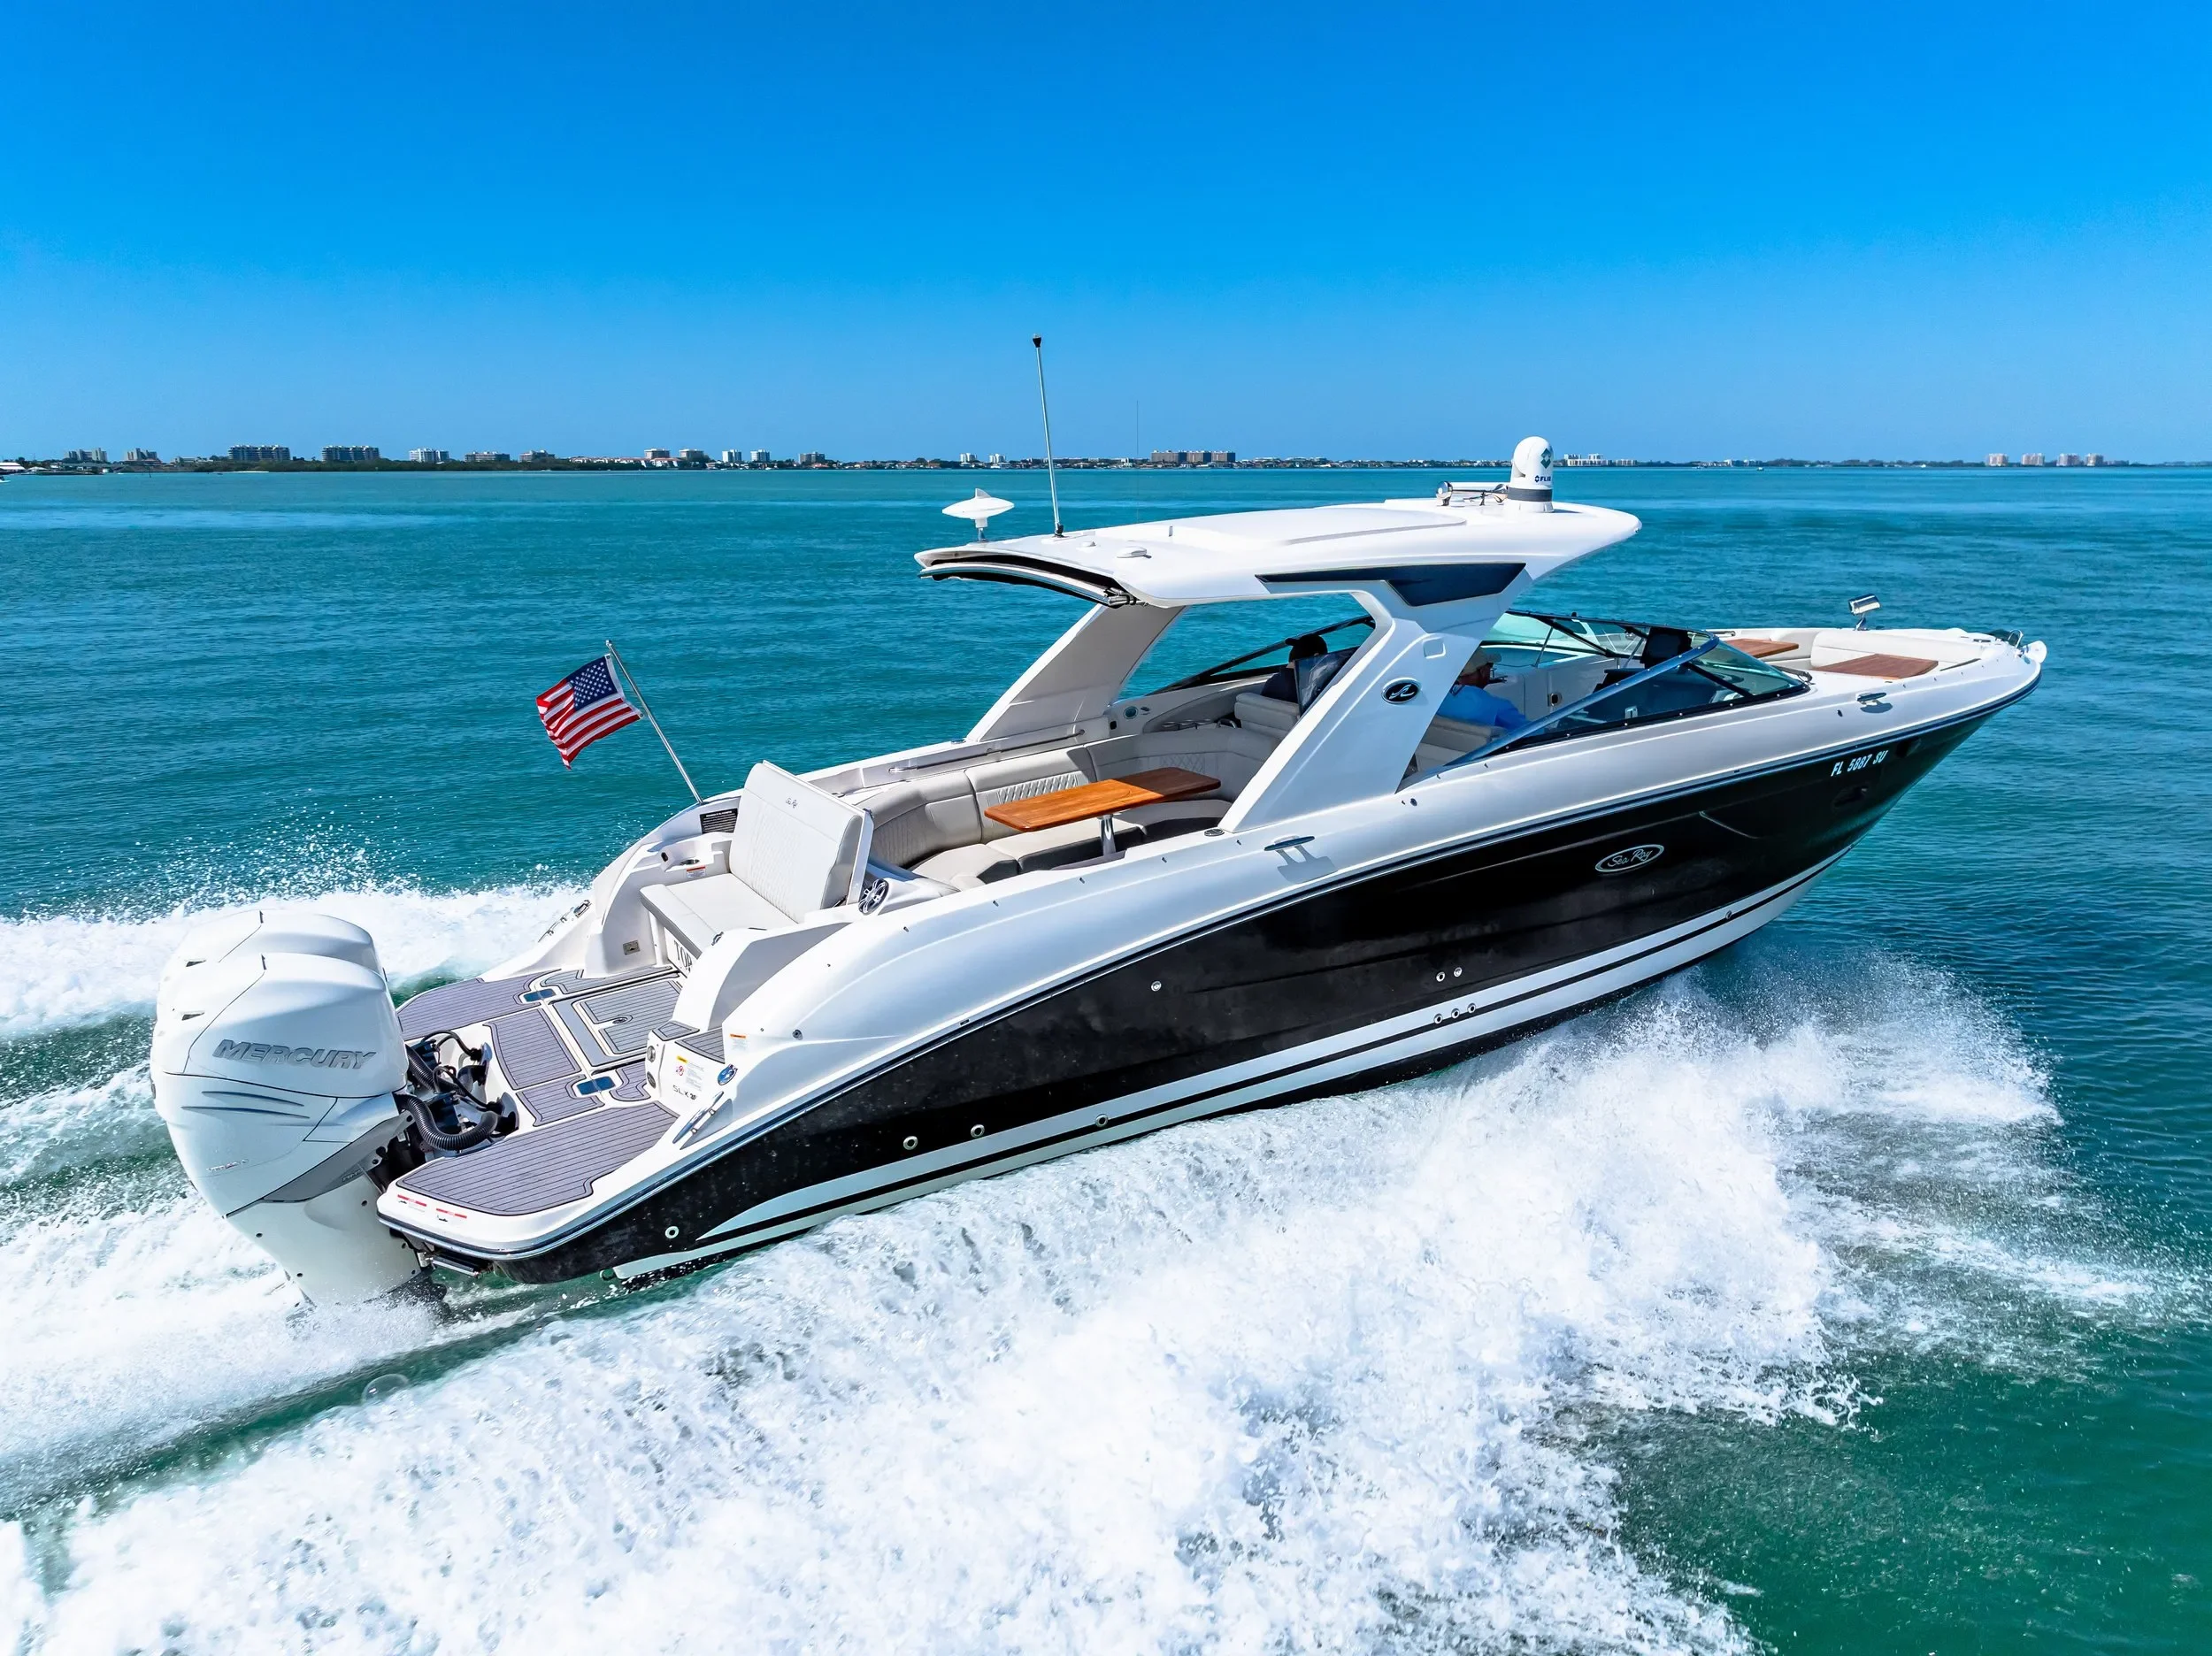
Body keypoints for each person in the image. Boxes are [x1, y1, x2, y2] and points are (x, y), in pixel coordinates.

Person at [1440, 657, 1527, 730]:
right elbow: (1526, 731)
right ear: (1483, 671)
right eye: (1490, 665)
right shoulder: (1497, 706)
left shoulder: (1438, 700)